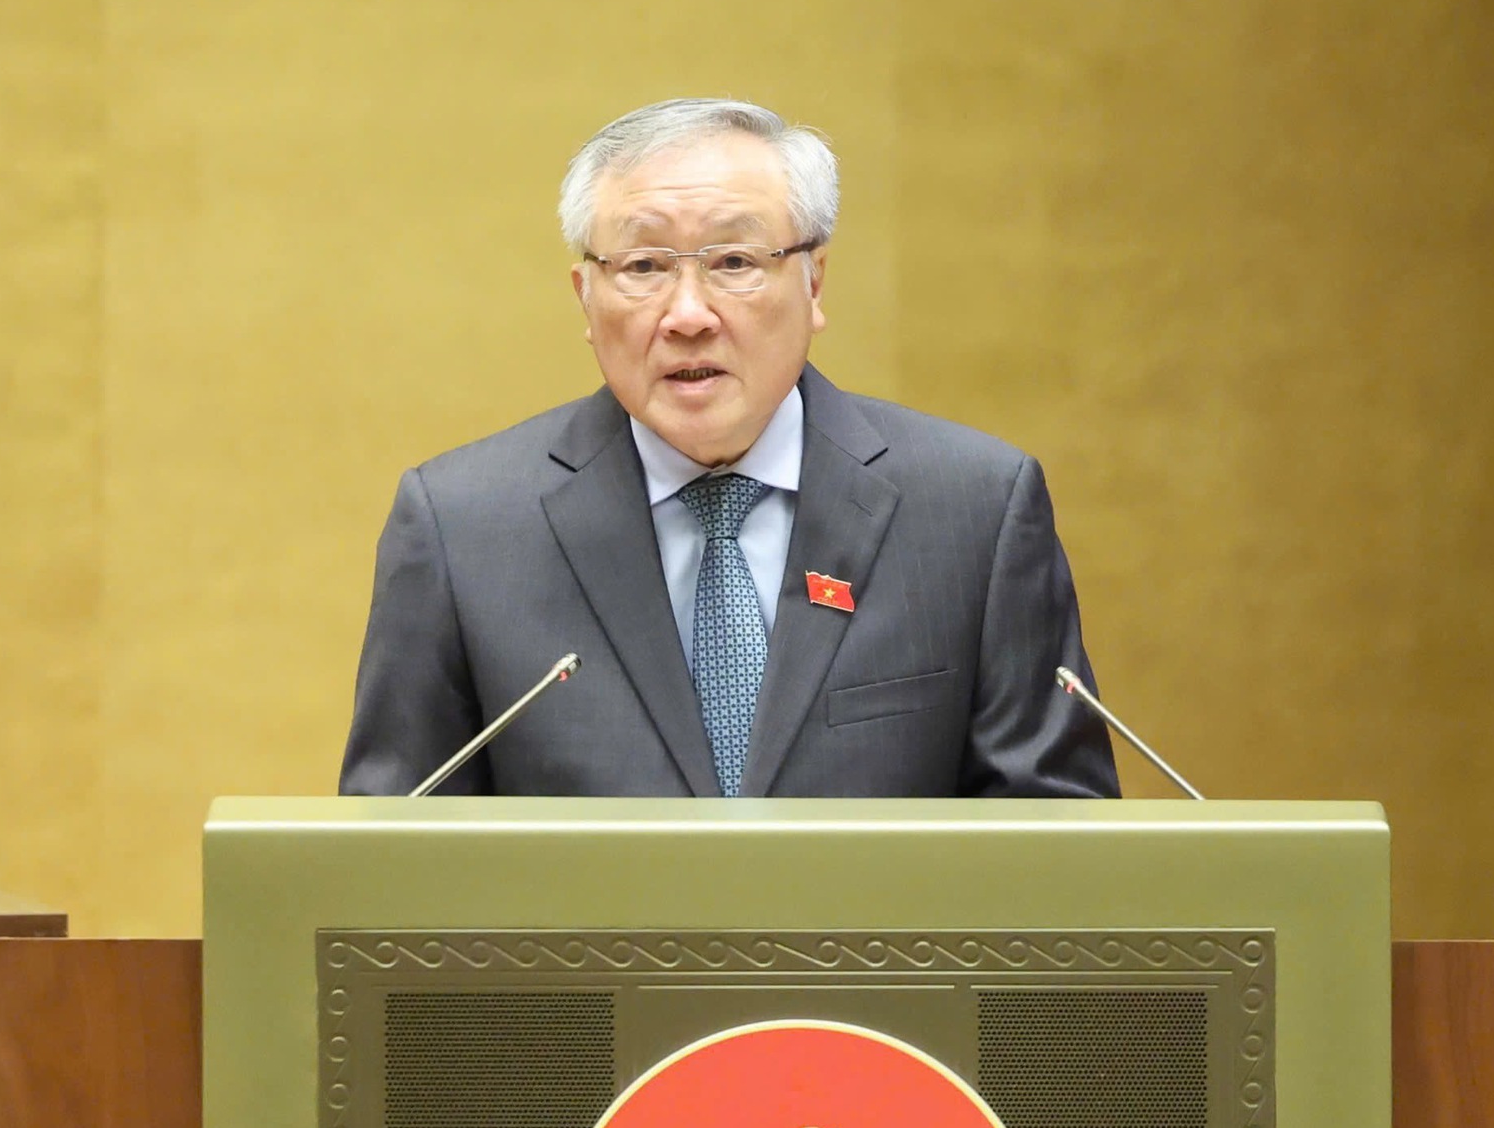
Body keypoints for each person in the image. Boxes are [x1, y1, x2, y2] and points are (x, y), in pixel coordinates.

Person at [340, 98, 1119, 799]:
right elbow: (388, 865)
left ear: (814, 284)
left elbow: (1060, 858)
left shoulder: (975, 512)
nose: (688, 315)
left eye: (735, 263)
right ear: (586, 299)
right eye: (644, 267)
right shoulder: (461, 529)